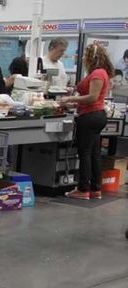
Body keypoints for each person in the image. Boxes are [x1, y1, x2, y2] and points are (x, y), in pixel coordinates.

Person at [60, 43, 114, 200]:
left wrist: (70, 97)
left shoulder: (97, 73)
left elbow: (92, 97)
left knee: (84, 153)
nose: (83, 58)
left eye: (85, 56)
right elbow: (92, 100)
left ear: (92, 57)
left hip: (90, 117)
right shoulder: (101, 72)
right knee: (95, 154)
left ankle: (83, 189)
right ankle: (95, 189)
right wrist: (76, 104)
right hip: (96, 115)